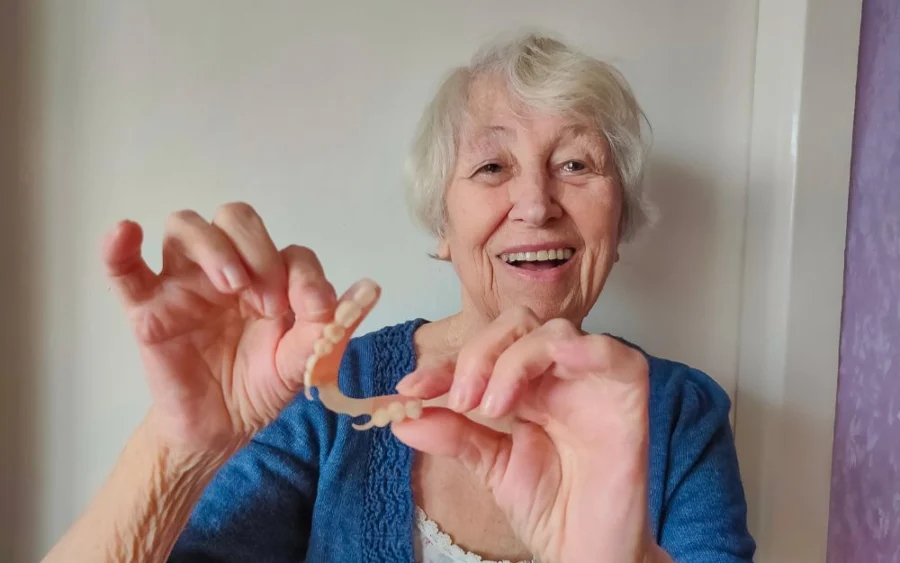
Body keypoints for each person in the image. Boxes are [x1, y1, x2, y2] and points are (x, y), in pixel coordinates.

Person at [42, 32, 756, 563]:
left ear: (620, 220)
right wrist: (178, 447)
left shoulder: (681, 417)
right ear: (441, 226)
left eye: (575, 163)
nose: (536, 204)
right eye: (491, 165)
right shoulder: (328, 392)